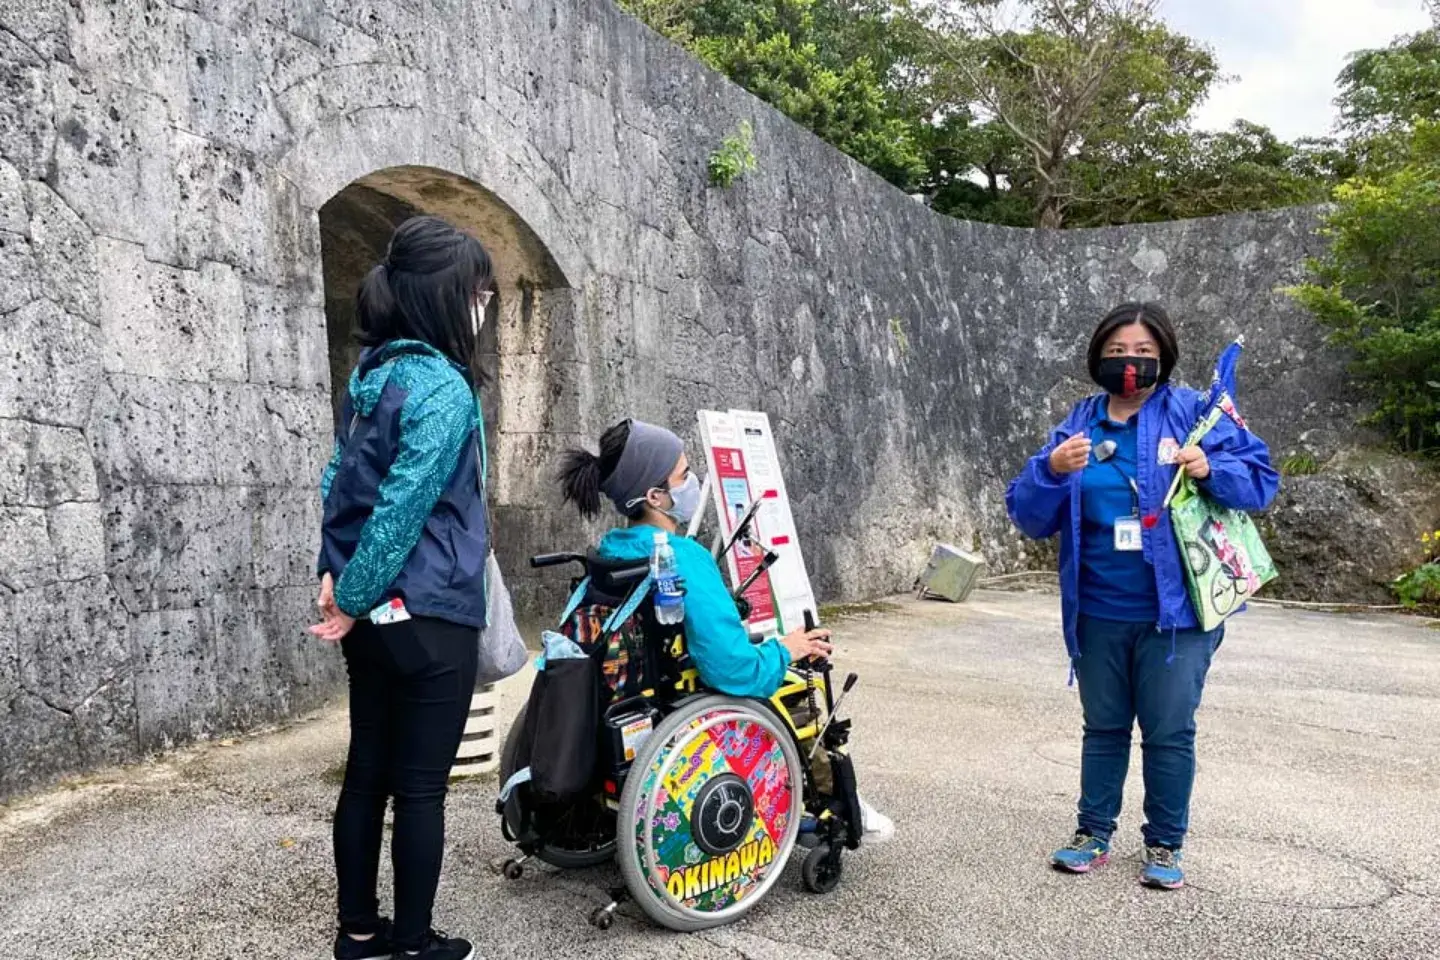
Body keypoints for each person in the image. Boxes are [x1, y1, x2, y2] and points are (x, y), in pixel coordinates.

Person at [1006, 302, 1278, 890]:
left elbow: (1260, 480)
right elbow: (1028, 516)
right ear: (1097, 359)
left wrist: (1209, 469)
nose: (1129, 365)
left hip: (1176, 615)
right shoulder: (1077, 425)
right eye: (1116, 355)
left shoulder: (1193, 413)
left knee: (1169, 730)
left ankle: (1164, 843)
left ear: (1165, 358)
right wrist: (1050, 469)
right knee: (1103, 727)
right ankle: (1092, 832)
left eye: (1143, 355)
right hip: (1099, 609)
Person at [557, 418, 895, 841]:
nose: (691, 481)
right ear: (656, 496)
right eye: (683, 474)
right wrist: (786, 649)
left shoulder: (610, 551)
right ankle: (836, 802)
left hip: (622, 693)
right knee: (793, 688)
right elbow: (732, 668)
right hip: (681, 695)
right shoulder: (684, 558)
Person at [311, 216, 495, 960]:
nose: (482, 306)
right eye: (480, 292)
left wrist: (337, 582)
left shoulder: (374, 376)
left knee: (366, 775)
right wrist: (353, 595)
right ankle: (415, 945)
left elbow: (337, 482)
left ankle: (359, 934)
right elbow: (404, 505)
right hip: (429, 612)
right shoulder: (444, 388)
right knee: (420, 789)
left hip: (372, 621)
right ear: (447, 297)